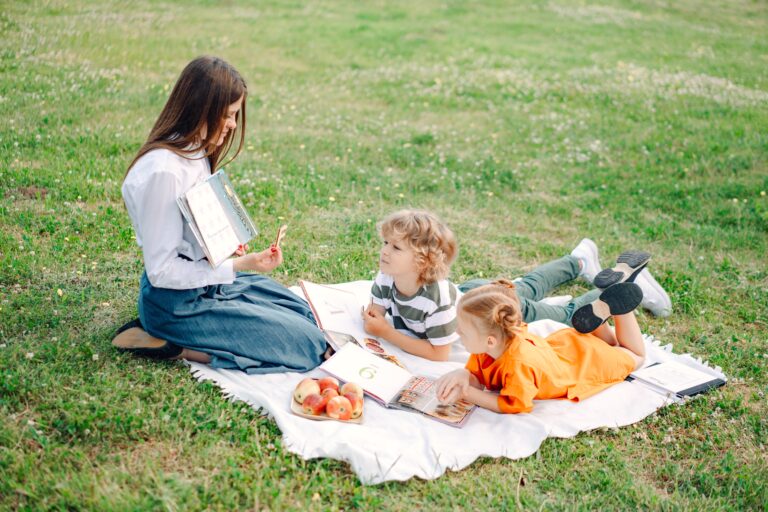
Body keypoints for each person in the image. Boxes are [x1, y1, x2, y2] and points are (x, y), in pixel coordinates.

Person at [114, 56, 329, 373]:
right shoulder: (165, 172)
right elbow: (161, 271)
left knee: (301, 311)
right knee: (307, 344)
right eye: (227, 115)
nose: (232, 125)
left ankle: (197, 332)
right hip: (176, 306)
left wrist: (224, 244)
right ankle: (174, 346)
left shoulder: (196, 150)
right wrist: (239, 265)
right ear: (200, 109)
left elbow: (193, 232)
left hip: (206, 287)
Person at [360, 210, 669, 362]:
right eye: (386, 243)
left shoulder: (436, 299)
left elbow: (438, 354)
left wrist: (387, 333)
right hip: (474, 291)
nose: (385, 251)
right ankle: (577, 261)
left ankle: (614, 290)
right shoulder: (387, 274)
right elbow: (378, 307)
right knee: (529, 284)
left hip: (494, 312)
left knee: (566, 314)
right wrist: (376, 317)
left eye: (396, 248)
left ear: (422, 262)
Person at [434, 274, 648, 414]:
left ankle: (622, 311)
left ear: (490, 340)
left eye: (462, 331)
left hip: (588, 364)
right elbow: (478, 378)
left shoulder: (519, 364)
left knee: (635, 355)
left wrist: (467, 393)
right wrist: (463, 375)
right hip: (567, 347)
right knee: (610, 347)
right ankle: (599, 320)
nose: (457, 332)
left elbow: (513, 404)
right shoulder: (492, 343)